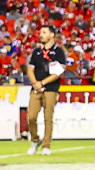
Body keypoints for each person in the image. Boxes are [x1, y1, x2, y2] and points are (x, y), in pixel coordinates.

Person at [26, 26, 67, 155]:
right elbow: (30, 69)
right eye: (40, 32)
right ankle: (35, 140)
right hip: (36, 89)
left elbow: (59, 72)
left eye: (44, 32)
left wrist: (42, 83)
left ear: (52, 35)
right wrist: (35, 83)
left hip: (51, 88)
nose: (41, 34)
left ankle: (46, 145)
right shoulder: (36, 52)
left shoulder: (59, 52)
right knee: (31, 117)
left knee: (48, 118)